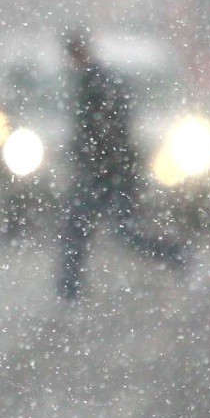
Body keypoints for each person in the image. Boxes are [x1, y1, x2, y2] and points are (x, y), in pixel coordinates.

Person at [57, 28, 186, 300]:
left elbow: (110, 131)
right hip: (107, 172)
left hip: (108, 173)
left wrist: (99, 159)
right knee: (93, 230)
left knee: (105, 231)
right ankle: (69, 289)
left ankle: (177, 255)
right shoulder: (91, 81)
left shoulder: (98, 83)